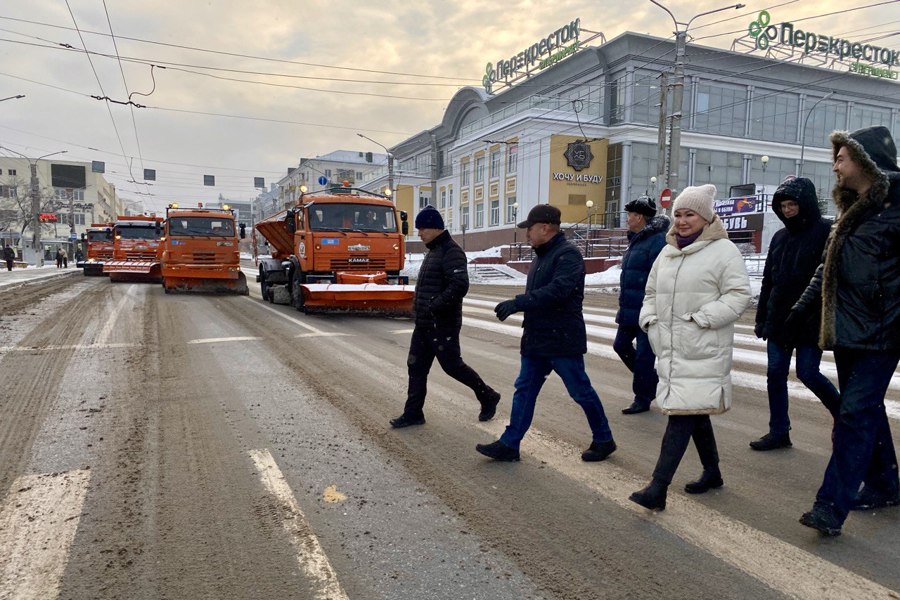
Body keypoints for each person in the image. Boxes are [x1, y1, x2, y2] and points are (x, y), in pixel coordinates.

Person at [790, 125, 900, 537]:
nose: (834, 165)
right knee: (864, 411)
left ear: (866, 160)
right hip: (850, 329)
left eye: (841, 158)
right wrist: (802, 307)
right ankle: (887, 484)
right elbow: (828, 266)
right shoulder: (851, 210)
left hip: (885, 332)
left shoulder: (896, 209)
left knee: (852, 415)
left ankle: (829, 507)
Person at [629, 184, 751, 511]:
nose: (682, 221)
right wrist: (650, 321)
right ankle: (712, 472)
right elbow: (651, 293)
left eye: (690, 214)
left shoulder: (723, 251)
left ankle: (658, 487)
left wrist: (702, 319)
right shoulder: (668, 252)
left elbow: (739, 295)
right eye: (678, 214)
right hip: (670, 346)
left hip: (704, 347)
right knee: (694, 411)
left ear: (706, 217)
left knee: (682, 414)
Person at [475, 204, 616, 463]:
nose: (526, 234)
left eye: (529, 228)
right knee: (524, 390)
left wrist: (519, 302)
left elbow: (558, 291)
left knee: (580, 391)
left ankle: (604, 439)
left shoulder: (568, 255)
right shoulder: (541, 254)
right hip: (537, 338)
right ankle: (510, 443)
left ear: (545, 227)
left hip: (562, 338)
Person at [390, 205, 501, 428]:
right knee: (416, 367)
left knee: (453, 366)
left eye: (422, 228)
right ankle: (413, 413)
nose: (419, 233)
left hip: (442, 324)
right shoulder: (433, 251)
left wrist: (434, 306)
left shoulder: (452, 251)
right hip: (424, 324)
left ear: (435, 228)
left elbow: (460, 285)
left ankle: (487, 395)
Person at [751, 177, 840, 451]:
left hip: (808, 320)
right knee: (775, 374)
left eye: (793, 204)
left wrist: (817, 313)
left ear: (806, 204)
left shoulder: (826, 231)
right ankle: (779, 431)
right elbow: (769, 281)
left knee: (808, 373)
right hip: (778, 319)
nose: (788, 210)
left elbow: (830, 278)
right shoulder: (780, 237)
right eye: (784, 205)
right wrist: (761, 317)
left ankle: (846, 418)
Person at [615, 196, 670, 415]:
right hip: (630, 307)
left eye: (630, 215)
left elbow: (660, 277)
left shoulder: (658, 241)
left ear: (640, 217)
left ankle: (642, 397)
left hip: (647, 308)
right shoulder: (637, 239)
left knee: (645, 356)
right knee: (620, 345)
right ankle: (654, 385)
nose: (627, 219)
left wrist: (655, 306)